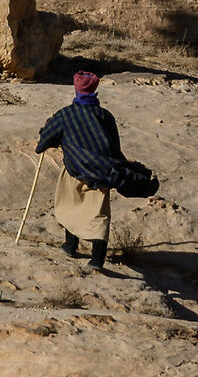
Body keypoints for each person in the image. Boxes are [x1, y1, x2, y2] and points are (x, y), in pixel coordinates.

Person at [34, 72, 129, 269]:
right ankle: (97, 260)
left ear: (76, 89)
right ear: (94, 90)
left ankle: (70, 246)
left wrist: (44, 138)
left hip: (74, 170)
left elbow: (45, 140)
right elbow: (114, 146)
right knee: (99, 215)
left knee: (71, 206)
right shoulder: (106, 116)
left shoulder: (65, 114)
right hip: (103, 173)